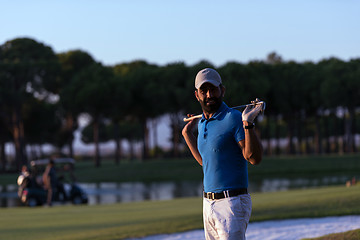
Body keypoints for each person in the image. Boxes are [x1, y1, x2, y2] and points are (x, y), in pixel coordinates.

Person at [182, 68, 263, 240]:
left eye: (213, 89)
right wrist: (187, 135)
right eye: (204, 91)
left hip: (231, 203)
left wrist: (247, 123)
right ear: (197, 95)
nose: (209, 95)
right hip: (208, 203)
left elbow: (253, 158)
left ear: (222, 90)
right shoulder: (202, 122)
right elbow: (206, 163)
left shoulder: (233, 118)